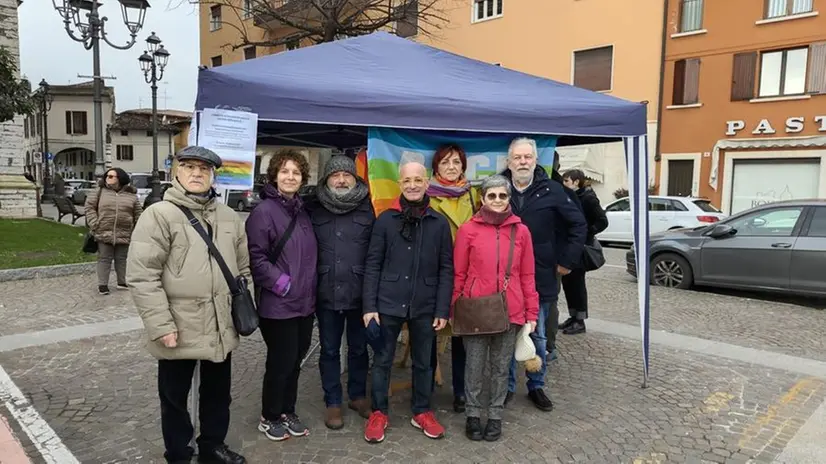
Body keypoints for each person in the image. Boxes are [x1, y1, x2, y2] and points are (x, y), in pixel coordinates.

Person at [127, 146, 248, 464]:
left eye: (204, 169)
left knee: (218, 394)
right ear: (176, 172)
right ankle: (178, 453)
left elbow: (243, 270)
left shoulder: (229, 217)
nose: (197, 173)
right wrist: (161, 326)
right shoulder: (159, 215)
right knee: (175, 397)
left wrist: (244, 308)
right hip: (178, 324)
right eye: (189, 166)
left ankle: (212, 446)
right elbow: (142, 276)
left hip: (221, 323)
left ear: (213, 176)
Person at [362, 157, 454, 443]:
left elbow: (446, 268)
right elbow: (372, 264)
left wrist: (442, 308)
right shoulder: (385, 220)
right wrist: (369, 307)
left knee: (425, 362)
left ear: (426, 183)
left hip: (426, 305)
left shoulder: (438, 223)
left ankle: (422, 410)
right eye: (407, 180)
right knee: (382, 360)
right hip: (388, 302)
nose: (412, 185)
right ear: (399, 184)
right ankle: (379, 411)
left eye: (418, 180)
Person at [502, 137, 587, 412]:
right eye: (517, 157)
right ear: (509, 161)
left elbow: (578, 224)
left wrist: (567, 260)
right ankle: (506, 387)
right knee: (504, 334)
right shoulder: (498, 188)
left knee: (536, 334)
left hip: (540, 276)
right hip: (503, 277)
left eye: (527, 157)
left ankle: (536, 385)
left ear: (536, 160)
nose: (523, 162)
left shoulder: (553, 190)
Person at [452, 174, 539, 442]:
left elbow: (527, 275)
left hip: (510, 309)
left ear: (508, 198)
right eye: (492, 195)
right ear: (483, 198)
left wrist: (531, 313)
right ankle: (473, 415)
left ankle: (496, 415)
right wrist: (454, 307)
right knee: (474, 367)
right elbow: (459, 272)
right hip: (476, 308)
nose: (498, 200)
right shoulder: (468, 230)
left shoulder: (521, 231)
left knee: (502, 368)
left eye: (502, 195)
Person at [246, 149, 318, 442]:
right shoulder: (263, 212)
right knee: (281, 361)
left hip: (304, 303)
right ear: (274, 175)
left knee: (296, 360)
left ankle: (288, 410)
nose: (290, 177)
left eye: (296, 172)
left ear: (302, 178)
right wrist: (283, 284)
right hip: (278, 304)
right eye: (285, 171)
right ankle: (270, 415)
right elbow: (256, 257)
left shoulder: (301, 210)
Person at [305, 155, 374, 429]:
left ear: (355, 179)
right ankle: (333, 400)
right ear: (327, 179)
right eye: (336, 175)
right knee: (330, 350)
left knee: (359, 349)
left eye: (347, 175)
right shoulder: (314, 208)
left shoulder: (368, 208)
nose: (342, 180)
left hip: (359, 293)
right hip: (326, 291)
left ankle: (357, 396)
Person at [425, 143, 479, 413]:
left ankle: (460, 391)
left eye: (456, 162)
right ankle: (426, 389)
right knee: (428, 334)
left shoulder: (473, 195)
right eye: (445, 162)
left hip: (466, 276)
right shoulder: (425, 194)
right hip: (434, 274)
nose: (451, 166)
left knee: (461, 337)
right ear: (436, 167)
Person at [561, 169, 608, 335]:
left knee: (577, 284)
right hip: (571, 245)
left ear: (576, 182)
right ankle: (573, 316)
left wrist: (587, 233)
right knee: (568, 283)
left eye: (566, 181)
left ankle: (580, 320)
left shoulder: (588, 198)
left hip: (581, 247)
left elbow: (602, 221)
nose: (564, 184)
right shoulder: (573, 196)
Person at [86, 167, 142, 295]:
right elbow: (89, 207)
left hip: (124, 231)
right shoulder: (100, 191)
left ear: (120, 178)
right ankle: (103, 285)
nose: (107, 178)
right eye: (107, 176)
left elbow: (138, 212)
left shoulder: (131, 195)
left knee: (122, 258)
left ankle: (122, 282)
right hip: (104, 230)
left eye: (111, 176)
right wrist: (94, 223)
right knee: (104, 258)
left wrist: (138, 228)